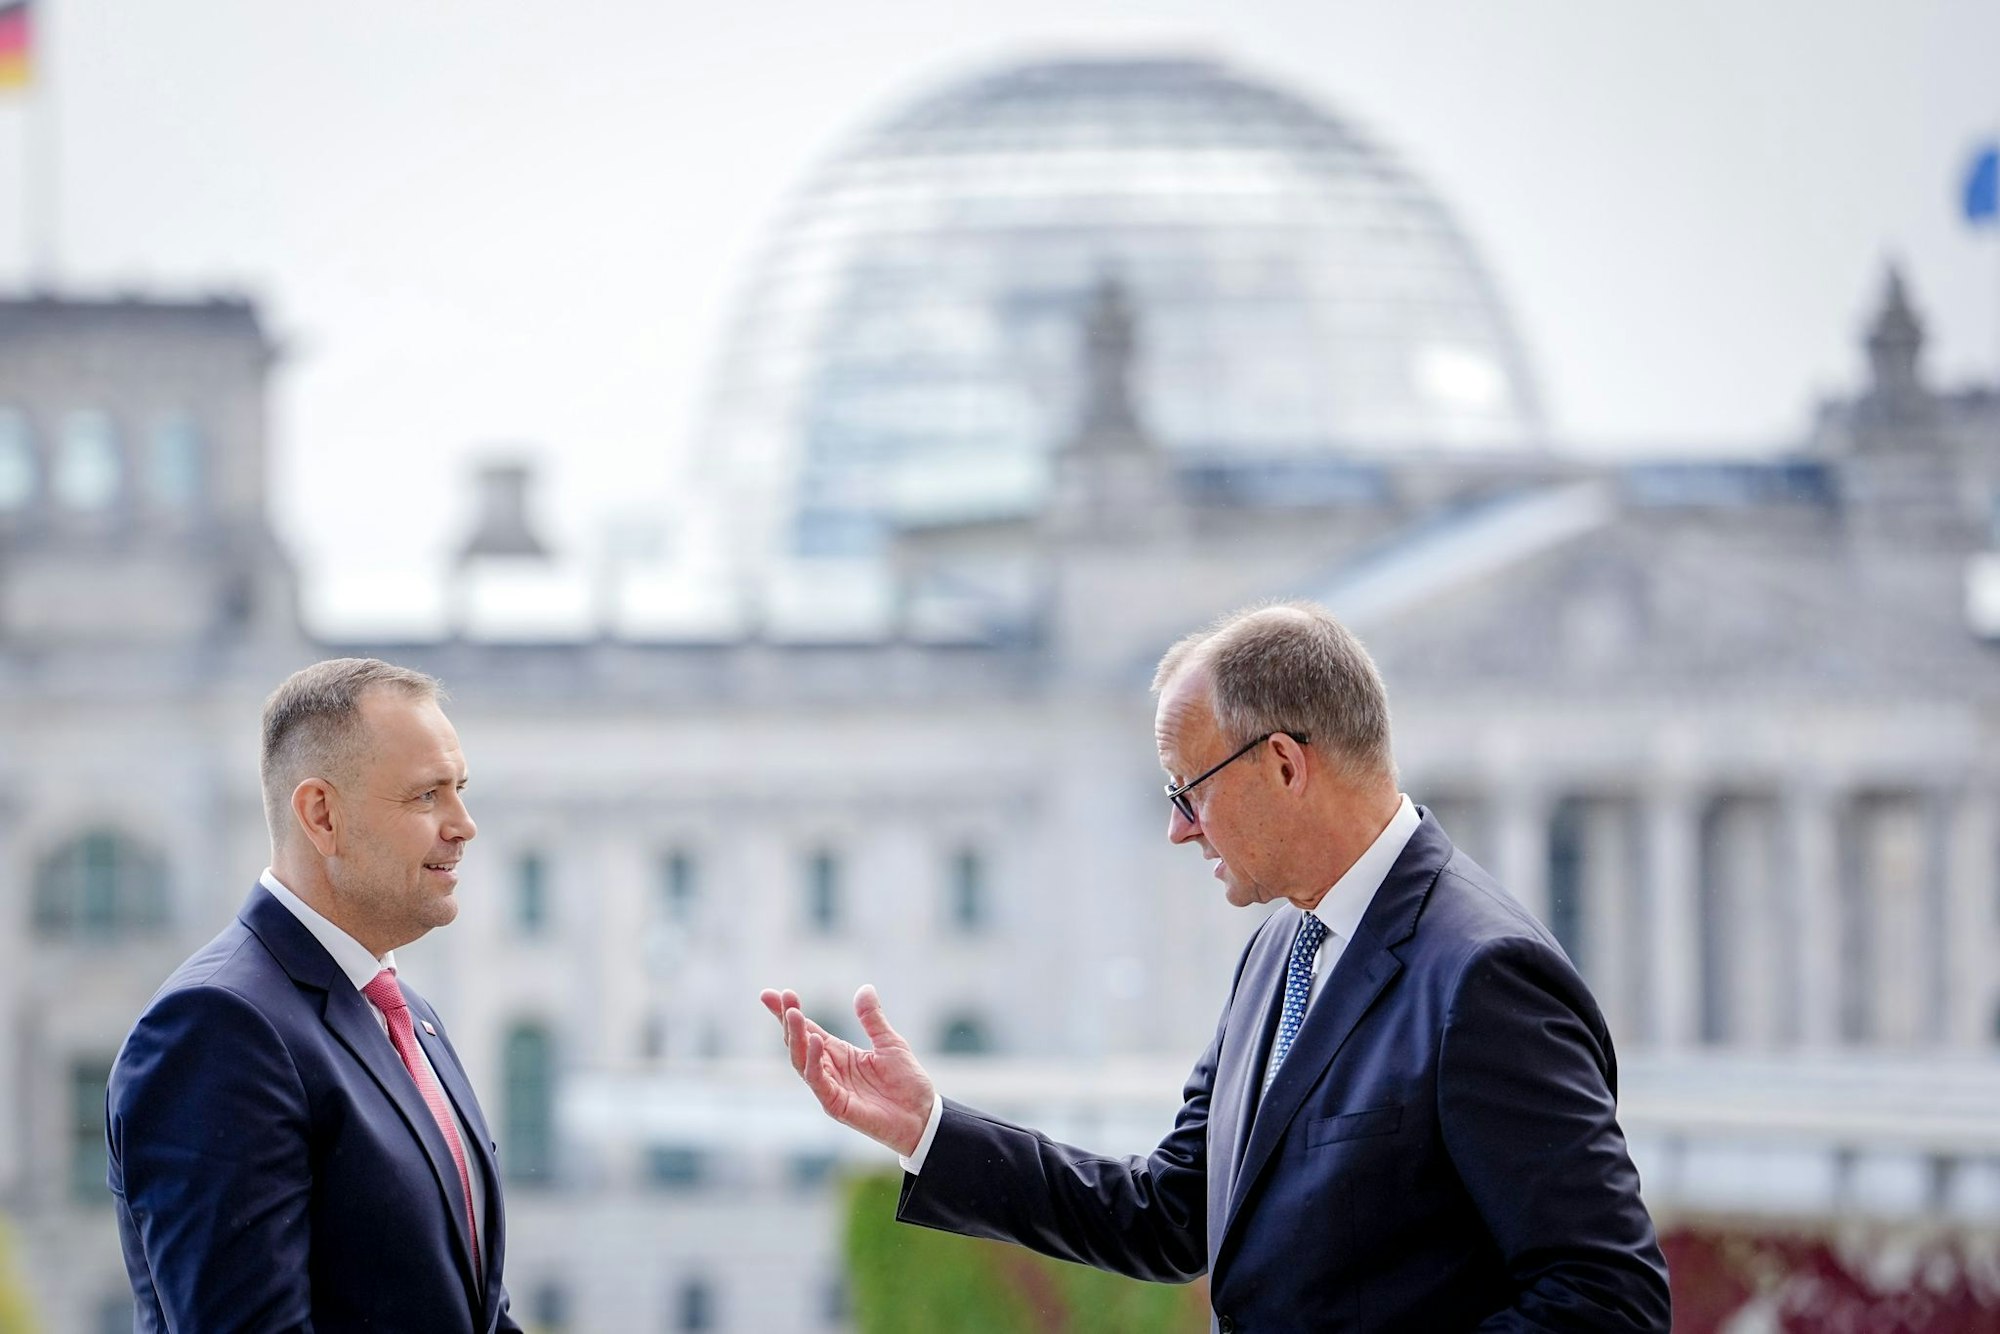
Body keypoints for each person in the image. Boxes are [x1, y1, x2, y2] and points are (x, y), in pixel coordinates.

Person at [763, 601, 1671, 1331]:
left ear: (1282, 763)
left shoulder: (1484, 975)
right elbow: (1170, 1212)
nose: (1178, 828)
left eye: (1189, 790)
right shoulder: (1282, 947)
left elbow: (1608, 1300)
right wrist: (928, 1129)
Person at [107, 658, 523, 1333]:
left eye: (461, 790)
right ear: (321, 814)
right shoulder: (218, 1026)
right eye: (427, 796)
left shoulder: (409, 1017)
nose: (464, 824)